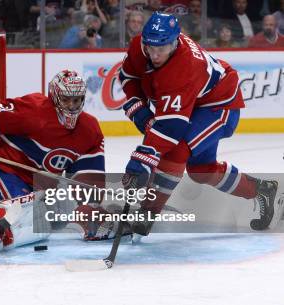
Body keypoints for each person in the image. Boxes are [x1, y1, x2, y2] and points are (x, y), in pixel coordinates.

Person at [116, 12, 279, 236]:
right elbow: (127, 76)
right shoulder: (140, 46)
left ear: (175, 42)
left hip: (218, 105)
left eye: (161, 49)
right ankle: (261, 190)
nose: (154, 55)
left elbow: (172, 129)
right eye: (150, 47)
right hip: (193, 104)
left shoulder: (184, 66)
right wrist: (138, 108)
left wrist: (144, 157)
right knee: (200, 171)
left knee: (178, 149)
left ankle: (147, 213)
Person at [0, 69, 105, 247]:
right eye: (65, 99)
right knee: (23, 219)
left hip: (37, 187)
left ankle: (2, 223)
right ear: (54, 97)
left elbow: (88, 177)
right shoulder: (33, 110)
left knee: (43, 222)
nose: (71, 106)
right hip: (1, 171)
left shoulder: (89, 130)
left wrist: (90, 207)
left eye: (76, 100)